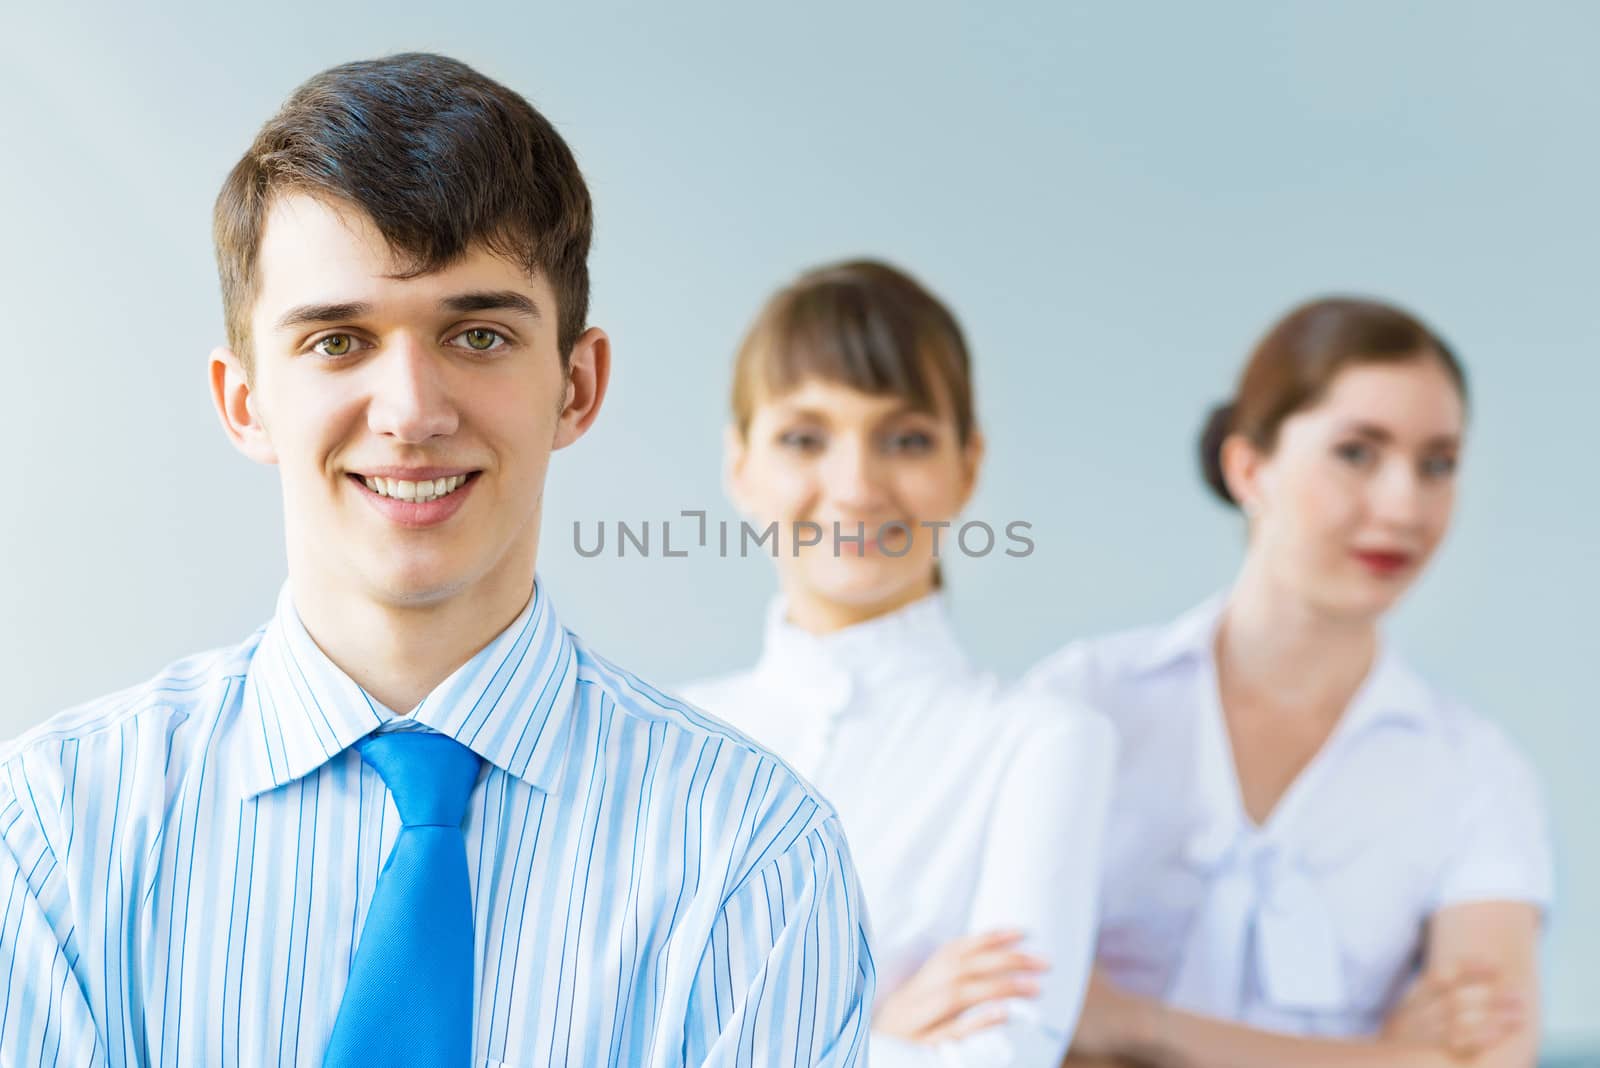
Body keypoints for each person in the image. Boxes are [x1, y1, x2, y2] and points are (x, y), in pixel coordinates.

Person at [0, 54, 873, 1067]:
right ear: (245, 401)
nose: (413, 411)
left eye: (478, 333)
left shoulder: (754, 855)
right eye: (337, 342)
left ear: (577, 386)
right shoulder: (53, 832)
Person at [1029, 298, 1552, 1068]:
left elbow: (1485, 1062)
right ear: (1250, 469)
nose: (1405, 504)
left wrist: (1135, 1027)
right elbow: (1008, 1021)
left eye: (1438, 463)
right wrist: (1381, 1058)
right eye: (1357, 453)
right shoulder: (1086, 703)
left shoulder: (1476, 770)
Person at [678, 259, 1115, 1067]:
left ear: (968, 466)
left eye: (905, 439)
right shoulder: (657, 737)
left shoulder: (1042, 744)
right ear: (741, 465)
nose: (855, 486)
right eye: (805, 438)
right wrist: (873, 1032)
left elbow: (999, 1060)